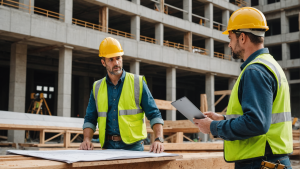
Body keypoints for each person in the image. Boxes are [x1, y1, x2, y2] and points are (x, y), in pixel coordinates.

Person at [193, 7, 293, 169]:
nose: (229, 44)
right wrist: (222, 119)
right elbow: (261, 116)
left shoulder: (255, 70)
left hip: (259, 161)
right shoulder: (269, 64)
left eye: (231, 38)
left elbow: (256, 123)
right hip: (270, 159)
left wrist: (212, 127)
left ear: (243, 38)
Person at [79, 37, 165, 153]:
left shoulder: (137, 83)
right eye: (111, 59)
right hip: (107, 146)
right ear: (103, 62)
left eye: (118, 58)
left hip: (133, 147)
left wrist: (158, 139)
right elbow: (90, 117)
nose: (116, 63)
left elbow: (154, 113)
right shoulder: (97, 87)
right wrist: (87, 139)